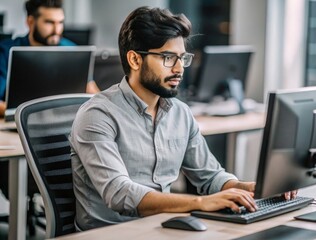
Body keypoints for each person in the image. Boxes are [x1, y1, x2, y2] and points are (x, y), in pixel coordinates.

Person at [69, 6, 297, 231]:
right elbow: (120, 193)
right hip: (110, 234)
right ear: (135, 60)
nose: (179, 69)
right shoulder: (97, 115)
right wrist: (200, 203)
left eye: (182, 58)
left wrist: (249, 189)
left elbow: (210, 176)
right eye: (168, 57)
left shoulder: (179, 113)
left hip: (162, 228)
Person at [0, 0, 99, 117]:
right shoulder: (6, 51)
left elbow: (92, 91)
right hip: (19, 123)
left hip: (64, 122)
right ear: (30, 22)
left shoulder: (71, 49)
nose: (57, 30)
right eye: (49, 22)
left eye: (60, 22)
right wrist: (27, 116)